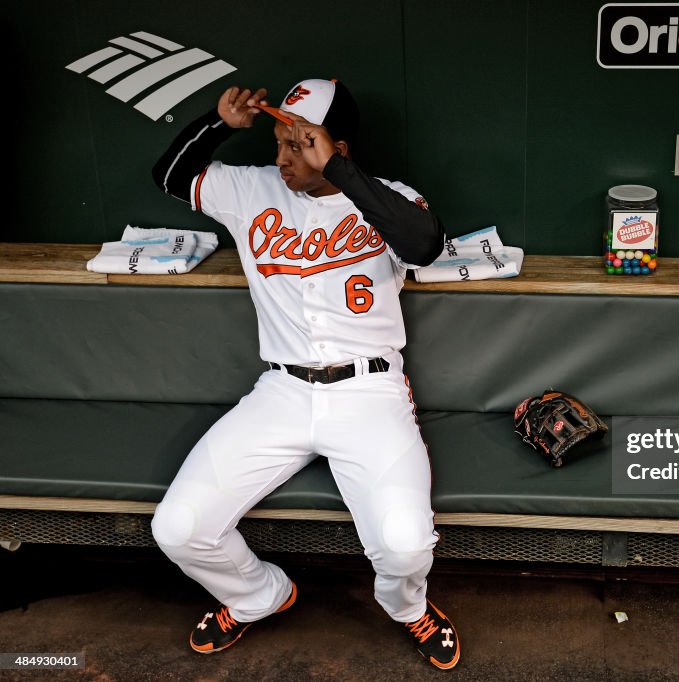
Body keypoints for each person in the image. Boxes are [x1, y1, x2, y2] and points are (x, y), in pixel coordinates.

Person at [149, 78, 459, 670]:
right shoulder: (254, 190)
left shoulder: (385, 197)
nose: (283, 156)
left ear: (335, 146)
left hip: (370, 391)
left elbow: (426, 246)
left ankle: (406, 607)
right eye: (280, 141)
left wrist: (340, 173)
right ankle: (258, 596)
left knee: (405, 545)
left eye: (300, 143)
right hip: (282, 391)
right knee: (179, 529)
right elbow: (170, 176)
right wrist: (217, 125)